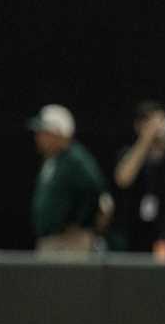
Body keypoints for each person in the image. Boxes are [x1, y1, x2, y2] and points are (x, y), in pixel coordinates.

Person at [28, 104, 111, 253]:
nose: (38, 137)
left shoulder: (75, 160)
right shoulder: (53, 160)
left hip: (69, 243)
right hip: (51, 240)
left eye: (44, 132)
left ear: (58, 133)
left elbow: (95, 191)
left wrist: (78, 223)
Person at [112, 101, 165, 261]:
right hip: (133, 234)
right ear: (139, 125)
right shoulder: (129, 153)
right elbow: (123, 179)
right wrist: (146, 139)